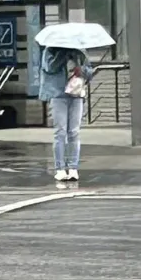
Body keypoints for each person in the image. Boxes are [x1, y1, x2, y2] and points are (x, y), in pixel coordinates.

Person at [38, 46, 95, 182]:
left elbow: (89, 71)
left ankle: (73, 168)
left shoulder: (80, 51)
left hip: (76, 94)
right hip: (58, 95)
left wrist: (82, 70)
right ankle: (60, 168)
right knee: (60, 132)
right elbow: (50, 67)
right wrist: (64, 55)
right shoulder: (50, 51)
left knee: (74, 132)